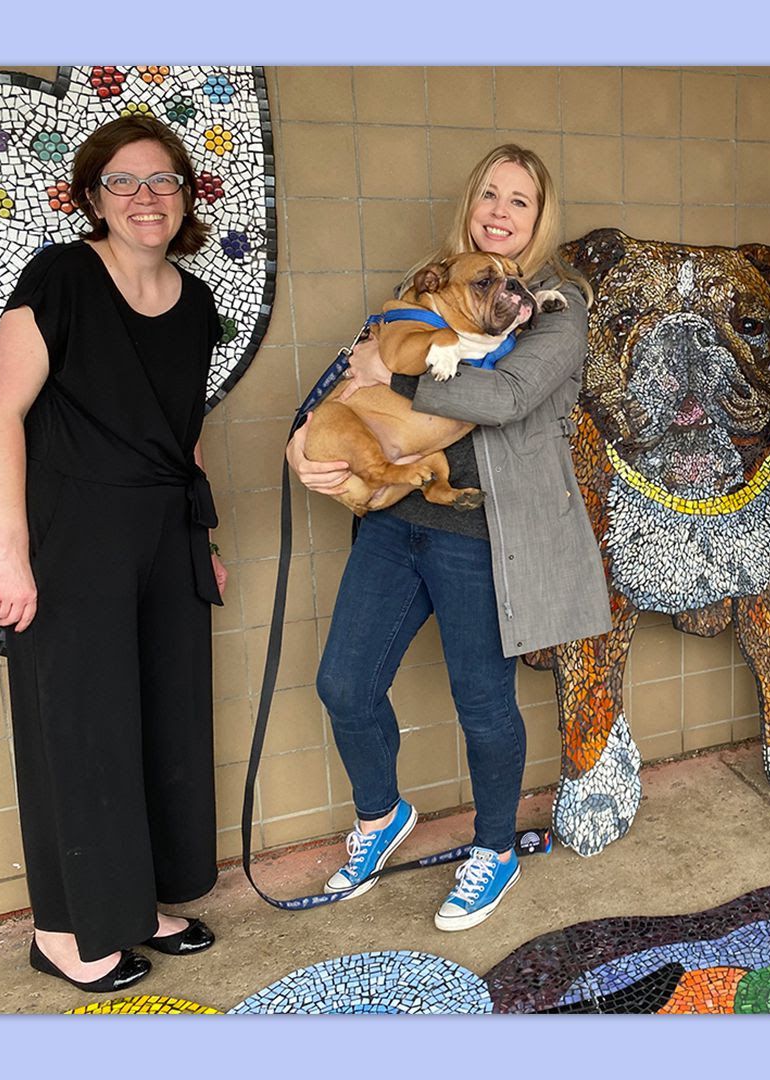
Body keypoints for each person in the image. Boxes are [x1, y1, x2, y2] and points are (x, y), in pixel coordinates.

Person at [285, 145, 609, 930]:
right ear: (471, 205)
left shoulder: (555, 304)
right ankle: (380, 816)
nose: (500, 211)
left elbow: (504, 395)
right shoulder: (429, 285)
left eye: (520, 201)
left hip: (480, 534)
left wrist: (388, 375)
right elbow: (345, 376)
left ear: (540, 217)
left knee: (482, 702)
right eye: (489, 195)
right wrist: (303, 448)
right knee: (344, 684)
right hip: (397, 520)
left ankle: (493, 848)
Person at [0, 115, 227, 993]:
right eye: (122, 182)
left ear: (187, 196)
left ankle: (140, 900)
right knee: (80, 727)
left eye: (162, 180)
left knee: (160, 717)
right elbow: (2, 413)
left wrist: (206, 542)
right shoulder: (60, 277)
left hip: (164, 533)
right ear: (93, 197)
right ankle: (64, 930)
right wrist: (10, 552)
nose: (144, 197)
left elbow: (183, 436)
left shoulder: (197, 304)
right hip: (73, 533)